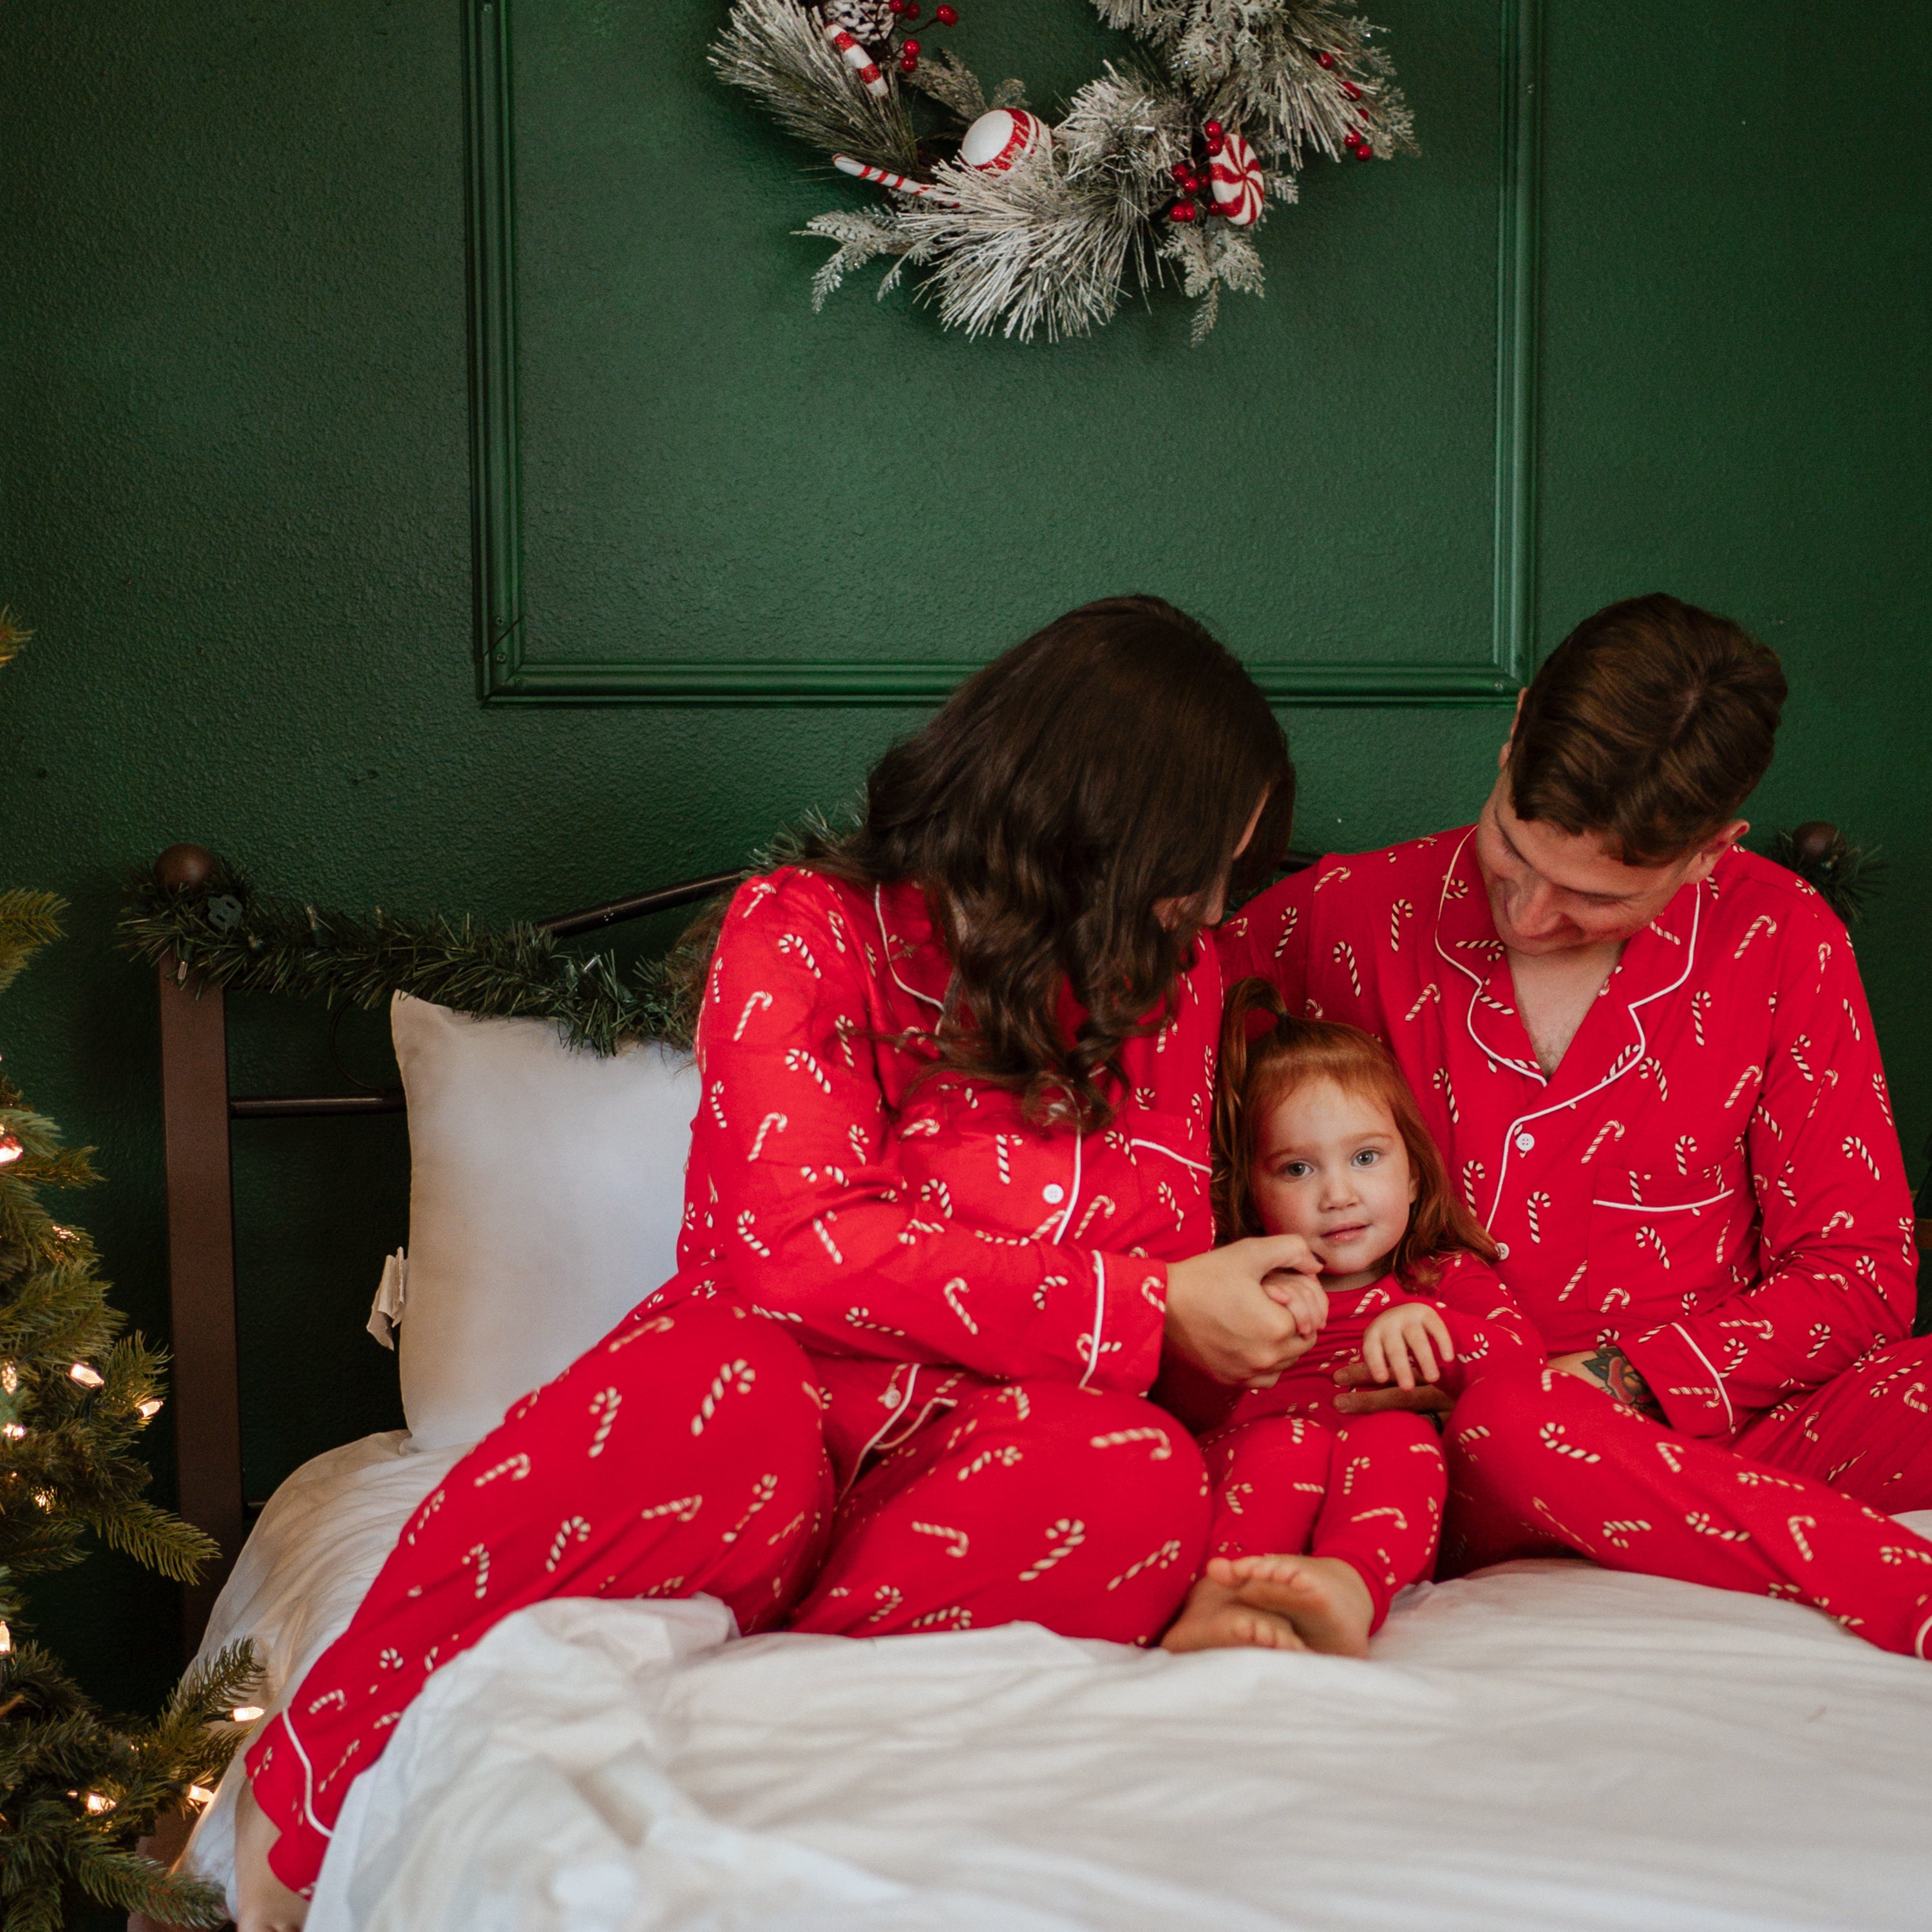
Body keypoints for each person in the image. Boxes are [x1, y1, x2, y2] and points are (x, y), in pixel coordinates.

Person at [235, 596, 1354, 1929]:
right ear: (1087, 818)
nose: (1211, 909)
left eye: (1230, 876)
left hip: (971, 1464)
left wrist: (1232, 1324)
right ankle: (303, 1796)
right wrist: (1149, 1303)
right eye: (1193, 867)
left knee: (1138, 1473)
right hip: (752, 1413)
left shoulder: (1174, 983)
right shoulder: (806, 927)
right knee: (728, 1399)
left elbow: (1159, 1286)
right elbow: (797, 1249)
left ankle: (768, 1722)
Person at [1218, 592, 1932, 1656]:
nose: (1530, 914)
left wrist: (1625, 1384)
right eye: (1514, 852)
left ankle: (1682, 1515)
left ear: (1710, 851)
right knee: (1511, 1422)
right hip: (1449, 1450)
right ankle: (1898, 1586)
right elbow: (1142, 1105)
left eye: (1595, 898)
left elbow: (1860, 1272)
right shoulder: (1343, 915)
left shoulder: (1784, 936)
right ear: (1513, 737)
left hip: (1730, 1431)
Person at [1160, 981, 1542, 1656]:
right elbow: (1186, 1406)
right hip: (1254, 1479)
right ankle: (1222, 1592)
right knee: (1286, 1443)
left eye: (1366, 1158)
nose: (1338, 1195)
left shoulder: (1438, 1277)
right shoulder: (1241, 1288)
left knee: (1396, 1432)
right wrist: (1252, 1321)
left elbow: (1526, 1368)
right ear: (1251, 1189)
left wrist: (1436, 1327)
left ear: (1414, 1174)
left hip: (1388, 1502)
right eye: (1297, 1169)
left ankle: (1348, 1585)